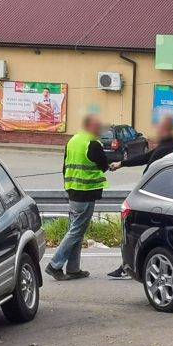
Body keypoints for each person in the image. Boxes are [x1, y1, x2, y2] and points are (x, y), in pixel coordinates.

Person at [106, 114, 173, 278]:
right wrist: (122, 164)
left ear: (167, 130)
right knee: (137, 232)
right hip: (152, 196)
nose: (157, 130)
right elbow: (146, 158)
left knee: (136, 231)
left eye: (160, 127)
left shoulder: (168, 148)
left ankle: (130, 267)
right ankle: (129, 266)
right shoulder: (165, 146)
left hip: (154, 197)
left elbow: (156, 171)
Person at [45, 114, 109, 281]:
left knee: (77, 231)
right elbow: (104, 165)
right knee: (76, 231)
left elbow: (65, 165)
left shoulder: (73, 140)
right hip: (86, 192)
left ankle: (73, 268)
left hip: (73, 190)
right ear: (90, 127)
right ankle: (54, 265)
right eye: (97, 126)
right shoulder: (93, 144)